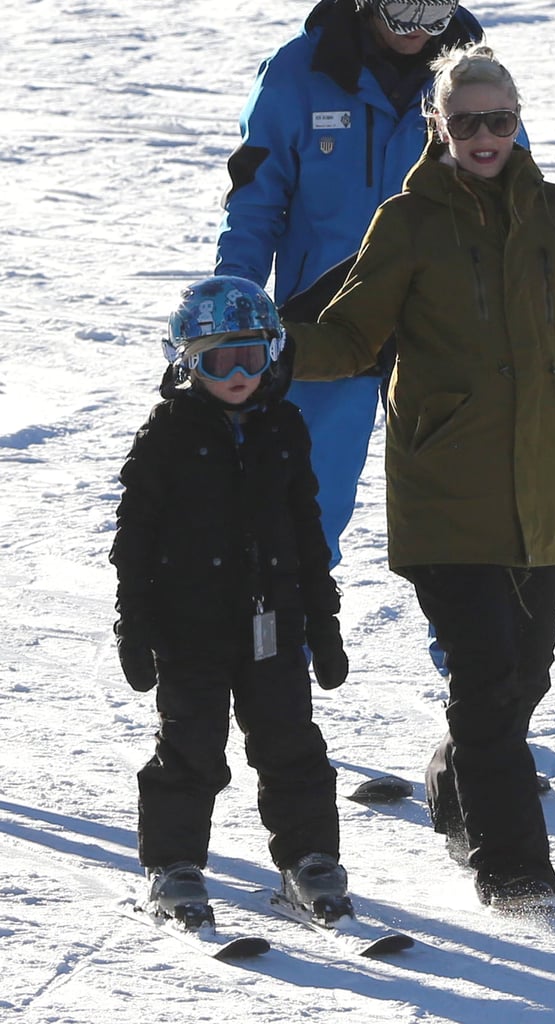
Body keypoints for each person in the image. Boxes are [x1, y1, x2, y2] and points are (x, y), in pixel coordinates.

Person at [282, 44, 555, 914]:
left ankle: (453, 777)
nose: (483, 135)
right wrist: (265, 354)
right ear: (437, 126)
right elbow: (354, 336)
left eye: (498, 119)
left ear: (518, 119)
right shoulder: (407, 222)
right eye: (465, 120)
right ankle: (513, 876)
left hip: (538, 490)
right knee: (483, 672)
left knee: (525, 675)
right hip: (444, 487)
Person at [215, 1, 529, 588]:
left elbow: (515, 195)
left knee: (463, 518)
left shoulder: (469, 81)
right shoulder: (297, 73)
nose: (420, 32)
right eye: (404, 11)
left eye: (435, 14)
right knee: (302, 508)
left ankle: (478, 676)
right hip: (327, 325)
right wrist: (236, 298)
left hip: (442, 326)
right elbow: (256, 198)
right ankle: (281, 664)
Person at [109, 276, 352, 928]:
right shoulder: (165, 435)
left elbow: (306, 529)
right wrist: (133, 624)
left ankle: (309, 861)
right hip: (188, 629)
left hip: (272, 623)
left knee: (290, 743)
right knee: (191, 747)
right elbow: (133, 539)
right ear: (188, 361)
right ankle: (174, 867)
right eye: (221, 360)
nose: (239, 374)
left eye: (252, 356)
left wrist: (322, 624)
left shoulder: (284, 426)